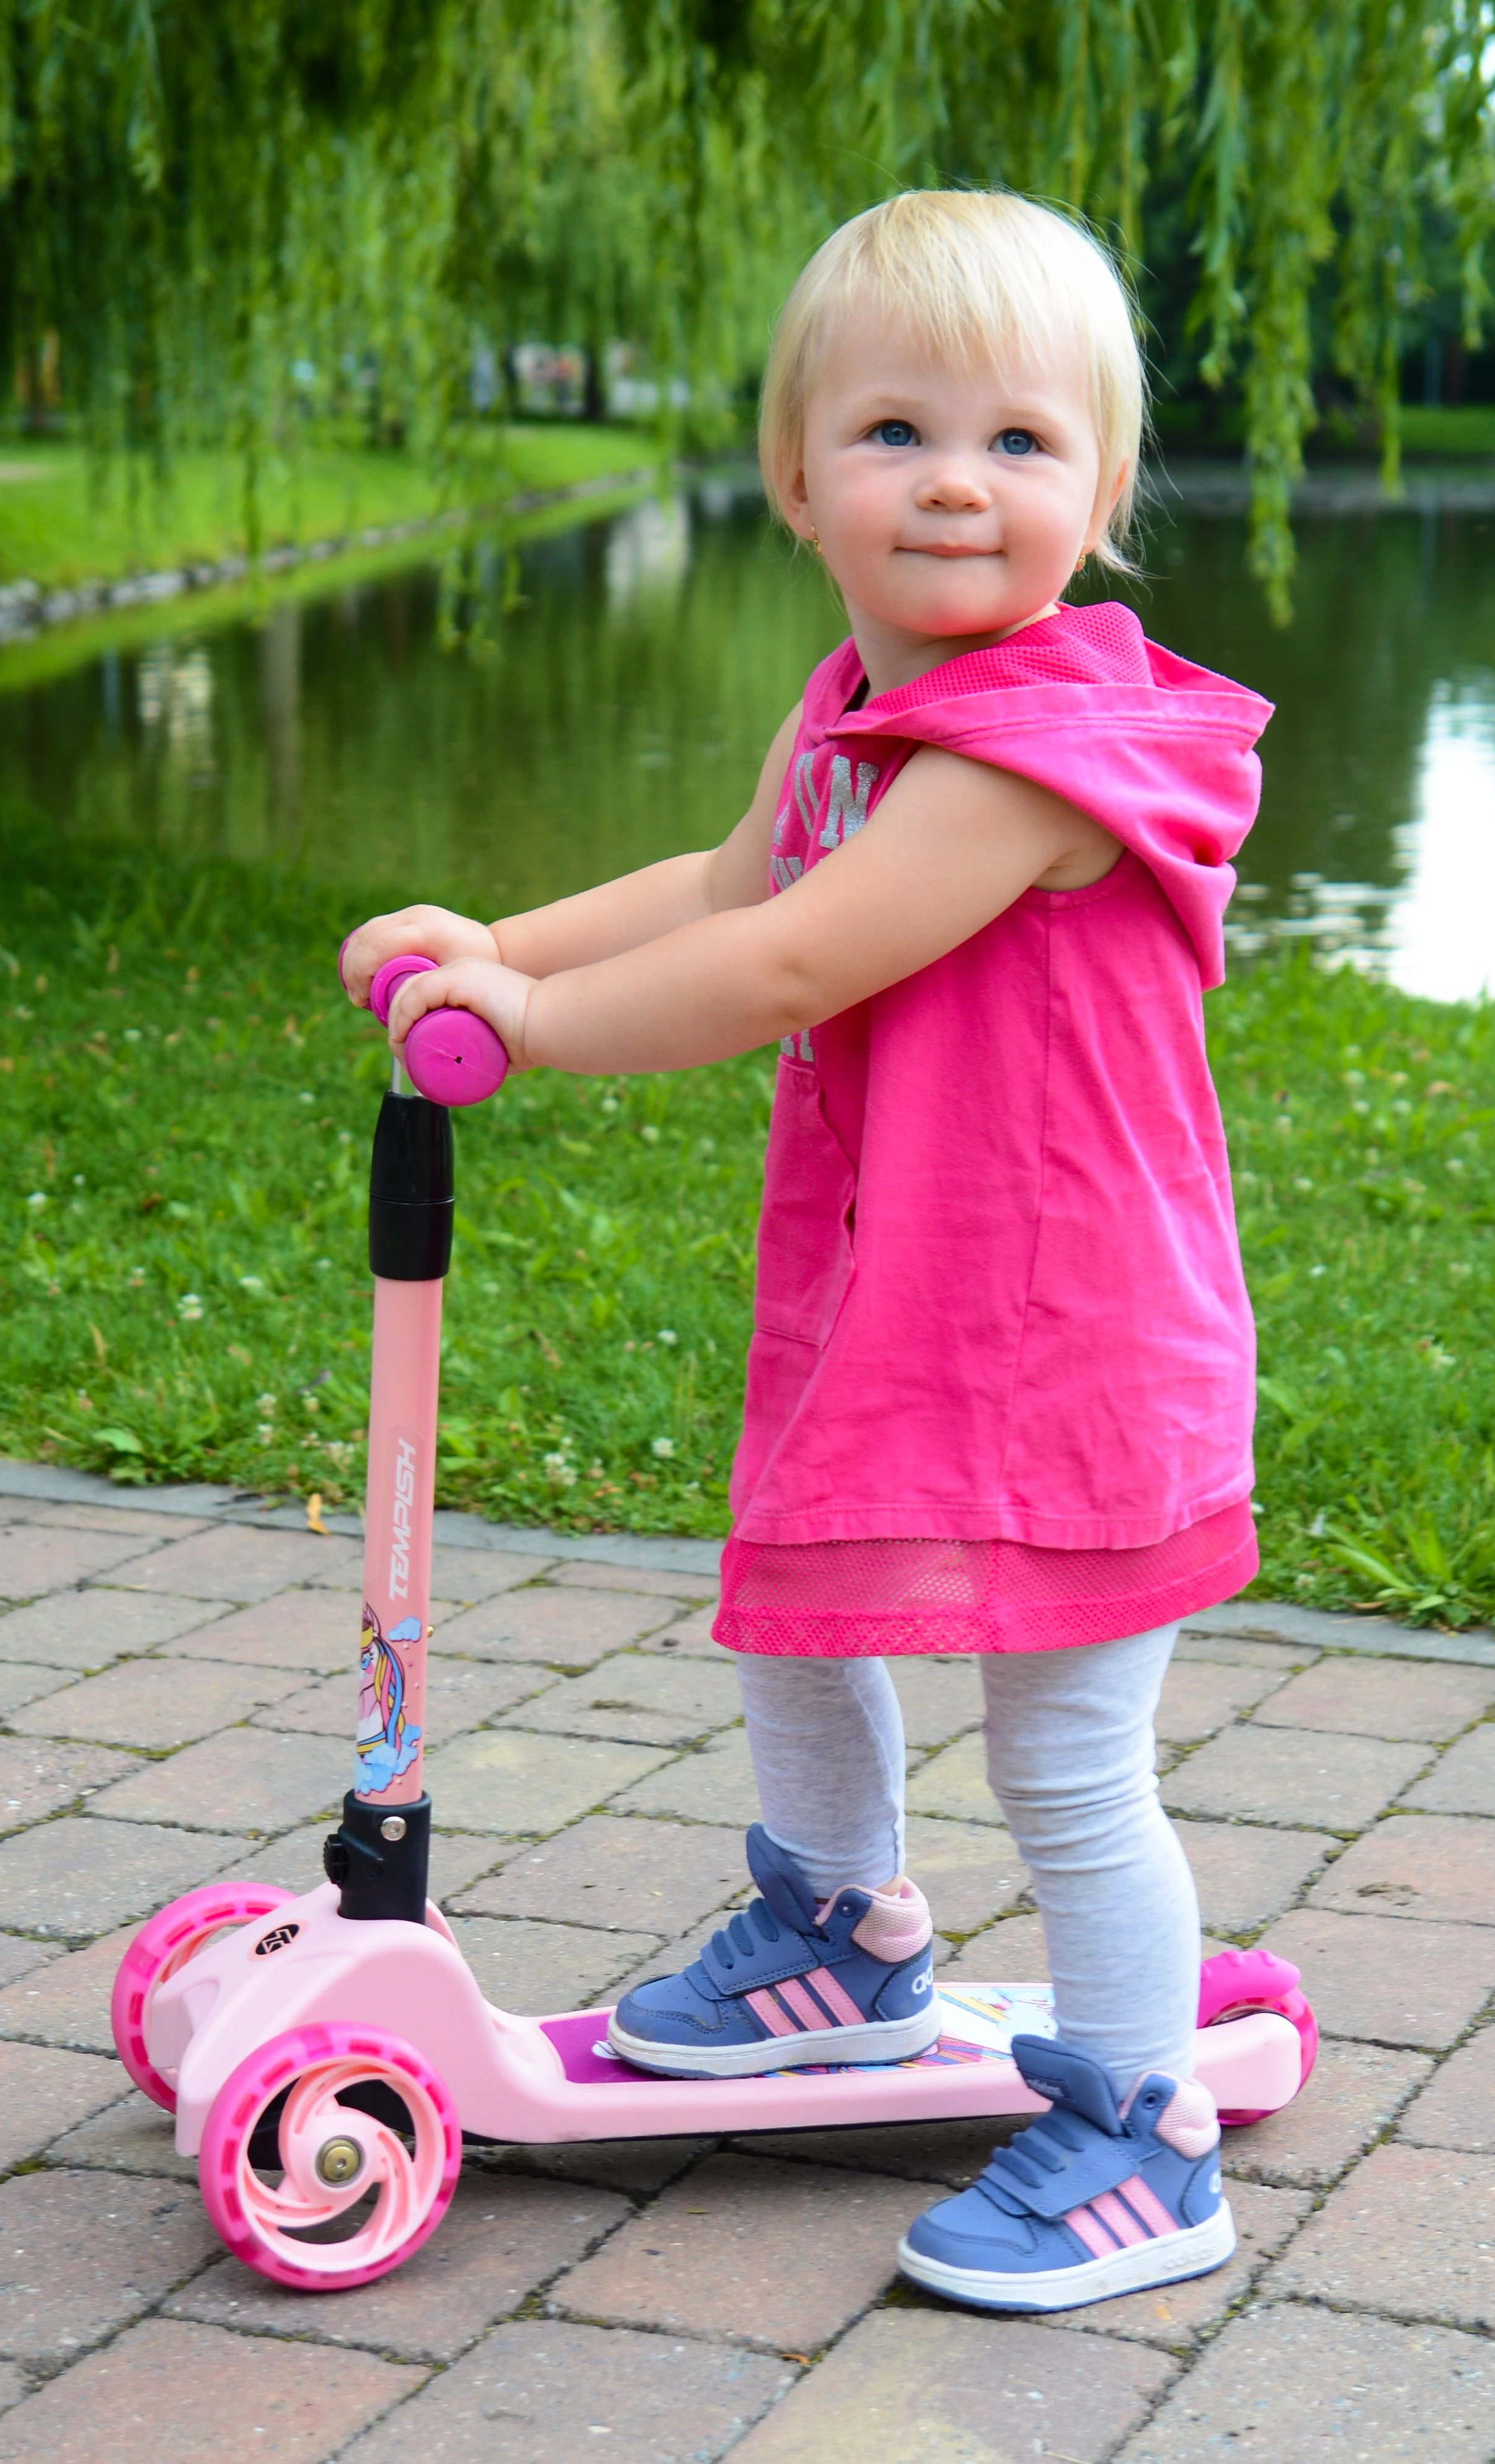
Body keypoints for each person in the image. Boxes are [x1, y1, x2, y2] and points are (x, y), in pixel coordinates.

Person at [340, 188, 1269, 2312]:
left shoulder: (1038, 752)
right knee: (797, 1605)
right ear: (795, 478)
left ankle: (1145, 2126)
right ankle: (843, 1936)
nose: (957, 478)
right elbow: (731, 869)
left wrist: (538, 1039)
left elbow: (791, 959)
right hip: (907, 1280)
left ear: (1103, 492)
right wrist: (506, 943)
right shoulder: (857, 694)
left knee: (1062, 1748)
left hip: (1075, 1324)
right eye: (895, 432)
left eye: (1022, 444)